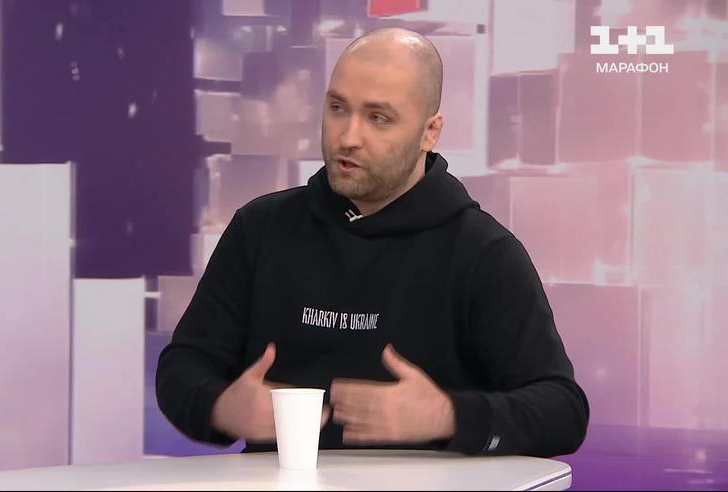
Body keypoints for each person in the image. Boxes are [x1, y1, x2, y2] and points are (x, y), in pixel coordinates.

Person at [156, 27, 589, 458]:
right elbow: (182, 369)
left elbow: (563, 412)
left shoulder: (483, 252)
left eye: (378, 117)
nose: (348, 137)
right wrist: (222, 408)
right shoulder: (260, 229)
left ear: (430, 131)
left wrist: (448, 416)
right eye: (337, 108)